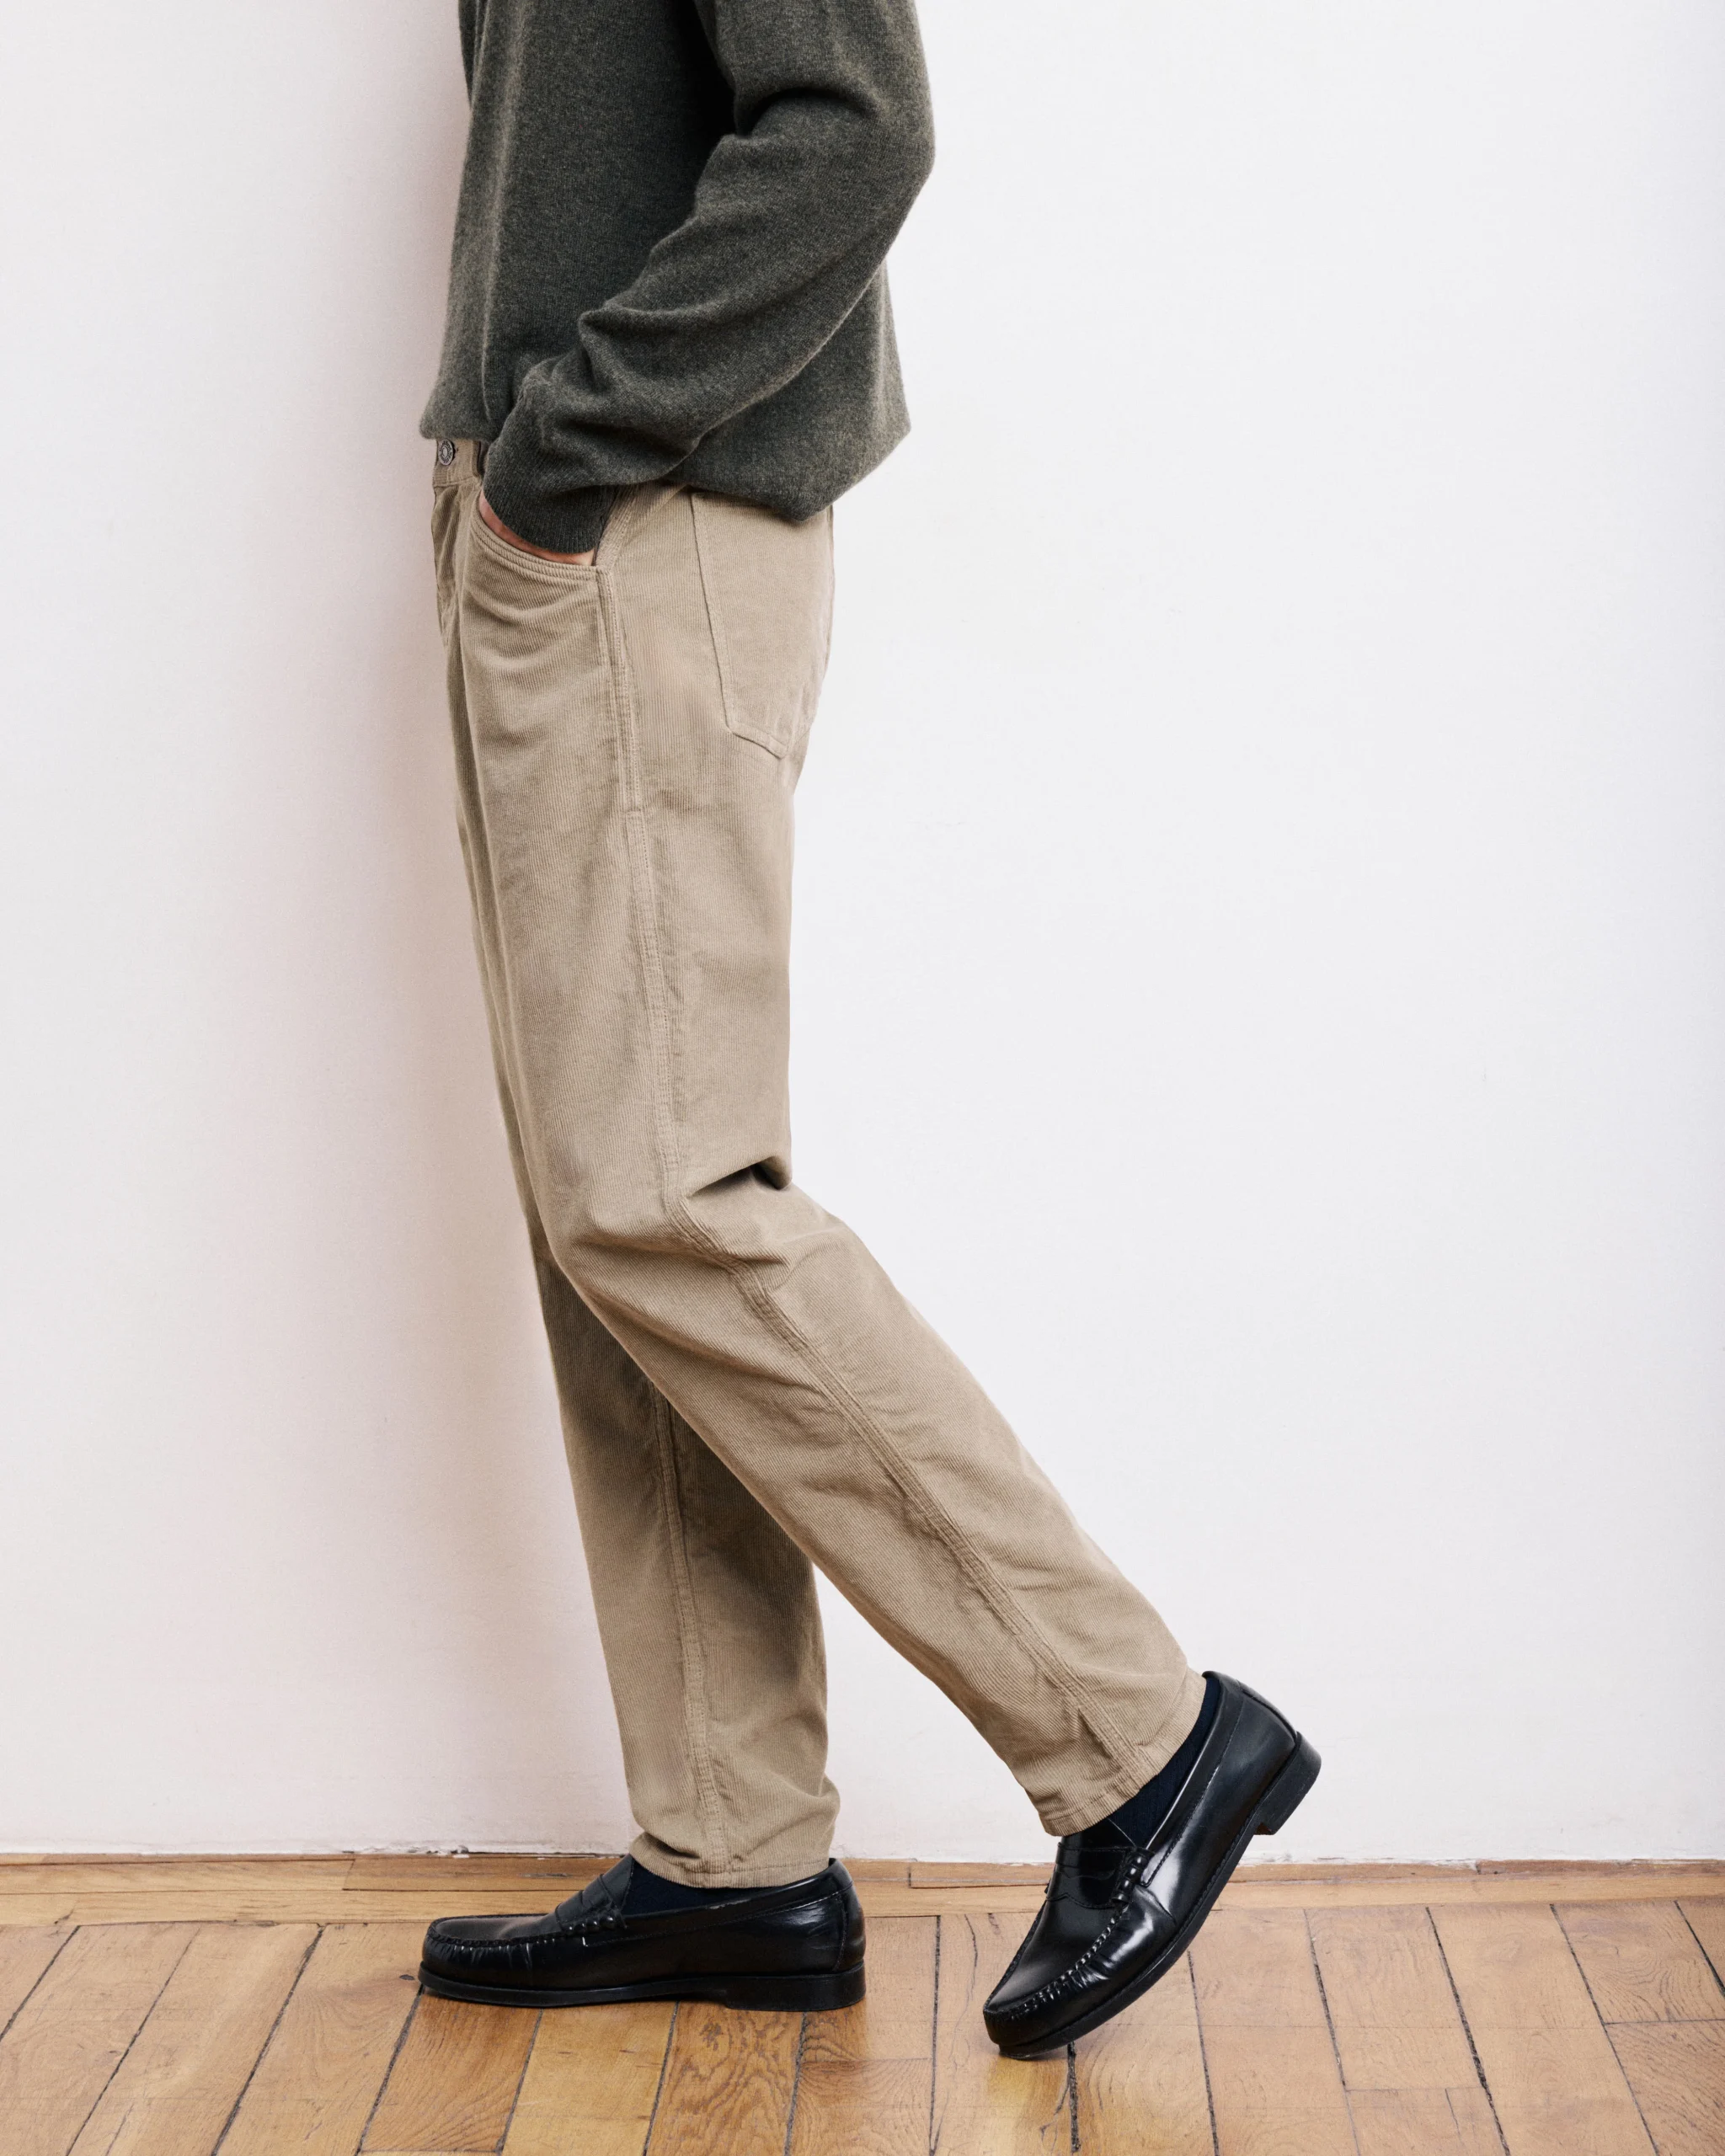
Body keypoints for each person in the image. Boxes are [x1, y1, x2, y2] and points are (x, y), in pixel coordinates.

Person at [414, 0, 1318, 2057]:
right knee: (603, 1216)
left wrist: (570, 446)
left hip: (631, 514)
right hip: (551, 507)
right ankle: (730, 1846)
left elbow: (853, 124)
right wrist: (513, 472)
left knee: (660, 1193)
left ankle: (1141, 1732)